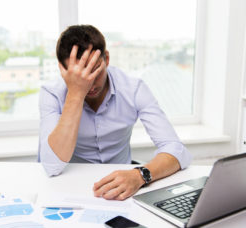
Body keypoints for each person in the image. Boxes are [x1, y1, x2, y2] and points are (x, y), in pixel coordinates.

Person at [38, 25, 192, 201]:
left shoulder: (133, 89)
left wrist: (139, 175)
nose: (90, 83)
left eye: (95, 71)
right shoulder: (51, 93)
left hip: (124, 186)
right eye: (80, 74)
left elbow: (177, 150)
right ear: (62, 69)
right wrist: (75, 94)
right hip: (70, 186)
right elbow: (52, 166)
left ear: (107, 59)